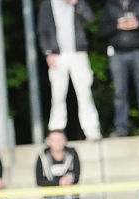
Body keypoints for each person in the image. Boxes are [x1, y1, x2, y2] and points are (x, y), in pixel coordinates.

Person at [37, 0, 103, 142]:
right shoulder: (47, 5)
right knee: (58, 94)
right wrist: (48, 52)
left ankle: (91, 129)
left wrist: (78, 4)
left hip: (78, 53)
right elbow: (42, 31)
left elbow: (90, 19)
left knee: (84, 92)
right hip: (57, 55)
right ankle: (56, 130)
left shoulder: (77, 3)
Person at [99, 0, 139, 138]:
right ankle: (120, 128)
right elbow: (102, 31)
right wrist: (117, 26)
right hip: (117, 53)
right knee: (119, 93)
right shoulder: (111, 5)